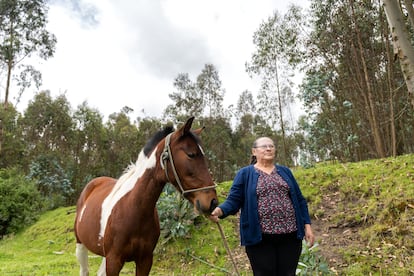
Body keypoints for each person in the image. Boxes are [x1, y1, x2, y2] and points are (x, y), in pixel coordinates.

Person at [210, 137, 315, 276]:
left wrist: (307, 225)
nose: (268, 148)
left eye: (271, 146)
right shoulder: (245, 174)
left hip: (290, 235)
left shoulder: (285, 172)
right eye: (264, 146)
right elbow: (234, 200)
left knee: (288, 273)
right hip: (260, 238)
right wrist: (219, 211)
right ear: (254, 151)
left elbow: (300, 200)